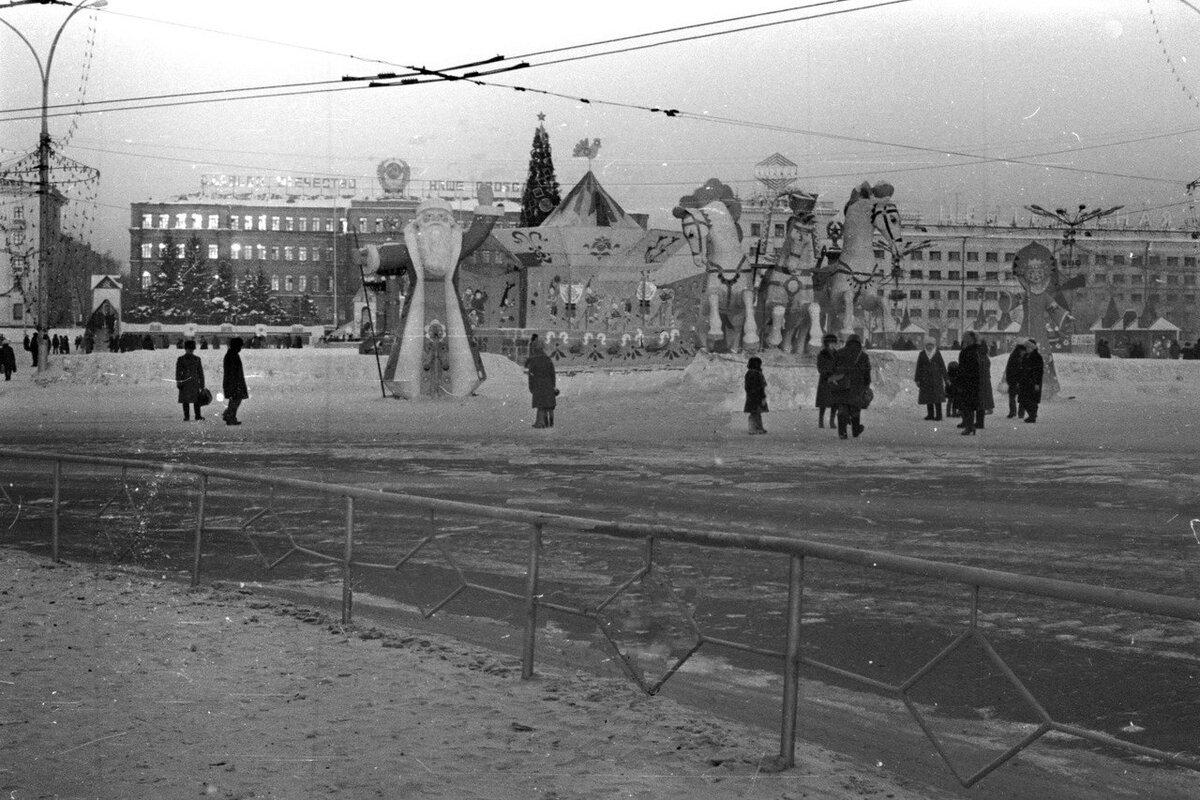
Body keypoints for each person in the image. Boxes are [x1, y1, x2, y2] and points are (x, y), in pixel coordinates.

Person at [829, 333, 871, 439]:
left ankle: (842, 433)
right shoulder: (863, 356)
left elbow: (832, 370)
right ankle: (855, 430)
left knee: (842, 408)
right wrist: (866, 384)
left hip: (841, 385)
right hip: (857, 387)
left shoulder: (839, 353)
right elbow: (867, 373)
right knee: (855, 408)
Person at [524, 335, 557, 429]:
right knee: (548, 404)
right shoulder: (548, 359)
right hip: (548, 384)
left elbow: (531, 375)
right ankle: (549, 423)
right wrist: (553, 386)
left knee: (540, 405)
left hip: (538, 385)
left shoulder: (534, 360)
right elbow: (552, 374)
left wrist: (531, 387)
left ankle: (540, 422)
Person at [913, 337, 946, 421]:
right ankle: (930, 414)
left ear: (934, 345)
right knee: (928, 398)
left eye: (931, 345)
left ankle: (939, 415)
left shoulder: (937, 353)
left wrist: (946, 378)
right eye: (928, 345)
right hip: (926, 379)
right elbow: (919, 367)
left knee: (937, 398)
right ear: (925, 345)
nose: (929, 347)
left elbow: (942, 366)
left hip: (936, 379)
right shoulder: (922, 354)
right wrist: (917, 379)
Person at [955, 332, 981, 435]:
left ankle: (969, 427)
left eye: (966, 339)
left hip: (969, 382)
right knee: (967, 405)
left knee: (968, 405)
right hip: (967, 381)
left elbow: (971, 368)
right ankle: (969, 426)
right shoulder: (969, 351)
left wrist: (963, 376)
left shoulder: (971, 351)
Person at [175, 339, 206, 422]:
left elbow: (200, 373)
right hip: (190, 382)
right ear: (186, 349)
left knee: (193, 400)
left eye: (191, 349)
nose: (190, 351)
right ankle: (192, 416)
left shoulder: (182, 359)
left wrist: (202, 384)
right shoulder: (196, 359)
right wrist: (179, 381)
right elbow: (178, 372)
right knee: (191, 400)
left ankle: (191, 416)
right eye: (189, 349)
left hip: (189, 382)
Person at [222, 337, 248, 426]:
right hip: (235, 382)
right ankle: (230, 417)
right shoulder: (233, 355)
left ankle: (228, 415)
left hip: (232, 382)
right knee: (236, 400)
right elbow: (234, 371)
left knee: (234, 400)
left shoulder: (230, 354)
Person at [1018, 338, 1045, 423]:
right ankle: (1032, 415)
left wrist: (1037, 383)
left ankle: (1032, 416)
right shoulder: (1026, 356)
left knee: (1032, 400)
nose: (1027, 349)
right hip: (1025, 382)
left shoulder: (1037, 357)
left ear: (1032, 348)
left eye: (1028, 347)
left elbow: (1039, 371)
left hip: (1033, 382)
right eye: (1026, 348)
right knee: (1024, 399)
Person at [815, 333, 838, 429]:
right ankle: (821, 421)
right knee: (823, 403)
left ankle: (832, 421)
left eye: (834, 343)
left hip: (836, 381)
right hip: (825, 380)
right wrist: (829, 376)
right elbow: (820, 368)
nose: (833, 345)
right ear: (827, 343)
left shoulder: (837, 354)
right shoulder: (822, 354)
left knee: (835, 403)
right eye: (831, 343)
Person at [743, 355, 768, 435]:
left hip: (751, 396)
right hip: (757, 396)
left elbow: (747, 386)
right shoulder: (757, 374)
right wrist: (763, 396)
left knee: (755, 413)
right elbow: (760, 386)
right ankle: (755, 428)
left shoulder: (749, 373)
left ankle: (757, 428)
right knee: (756, 413)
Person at [1003, 342, 1027, 419]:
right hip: (1016, 381)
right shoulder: (1017, 358)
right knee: (1017, 397)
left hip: (1018, 381)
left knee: (1015, 397)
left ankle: (1015, 412)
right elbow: (1010, 370)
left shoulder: (1014, 357)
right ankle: (1018, 413)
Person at [975, 337, 994, 430]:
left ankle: (979, 423)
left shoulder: (979, 355)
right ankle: (980, 422)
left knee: (979, 403)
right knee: (981, 403)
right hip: (985, 381)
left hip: (980, 381)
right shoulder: (985, 356)